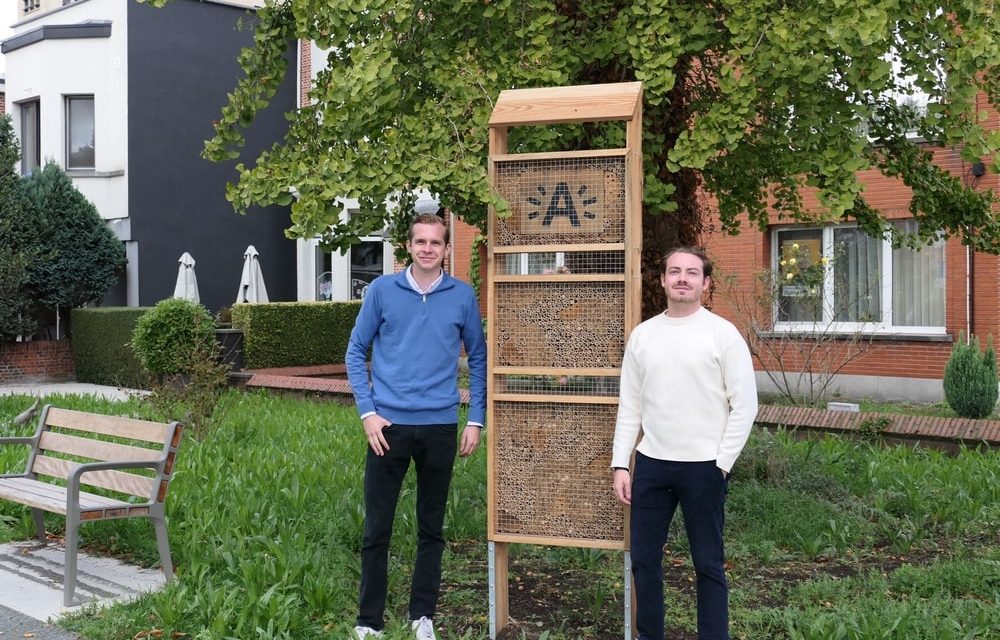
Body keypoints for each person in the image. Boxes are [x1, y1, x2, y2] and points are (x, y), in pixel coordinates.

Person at [345, 213, 487, 640]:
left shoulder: (462, 295)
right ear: (408, 246)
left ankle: (422, 615)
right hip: (388, 427)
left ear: (446, 249)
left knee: (431, 527)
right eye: (420, 241)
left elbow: (478, 358)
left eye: (436, 243)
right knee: (377, 527)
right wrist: (368, 413)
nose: (428, 249)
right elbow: (355, 351)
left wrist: (475, 419)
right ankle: (368, 620)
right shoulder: (382, 291)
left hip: (441, 426)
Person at [611, 246, 758, 640]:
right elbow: (631, 406)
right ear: (661, 280)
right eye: (674, 271)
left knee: (708, 563)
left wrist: (722, 463)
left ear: (705, 283)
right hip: (652, 465)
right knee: (643, 560)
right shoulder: (643, 336)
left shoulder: (723, 335)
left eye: (692, 273)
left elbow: (745, 406)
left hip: (705, 467)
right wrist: (621, 464)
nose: (682, 278)